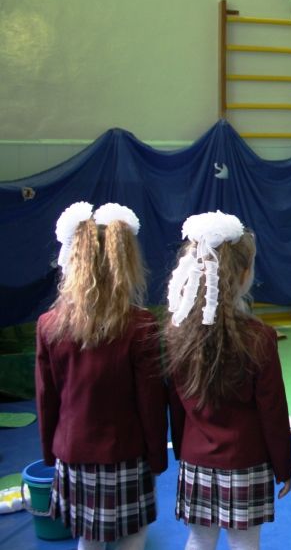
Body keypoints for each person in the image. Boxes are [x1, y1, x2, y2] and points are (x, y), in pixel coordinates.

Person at [36, 202, 167, 550]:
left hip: (73, 451)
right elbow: (151, 402)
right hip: (126, 452)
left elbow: (46, 398)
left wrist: (51, 452)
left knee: (88, 538)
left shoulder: (49, 325)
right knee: (133, 535)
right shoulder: (140, 325)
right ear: (124, 263)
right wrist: (157, 456)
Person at [165, 211, 291, 550]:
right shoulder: (259, 337)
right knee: (245, 543)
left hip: (196, 458)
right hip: (247, 459)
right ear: (245, 274)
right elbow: (272, 411)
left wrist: (184, 450)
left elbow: (176, 405)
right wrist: (284, 466)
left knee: (198, 539)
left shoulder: (176, 333)